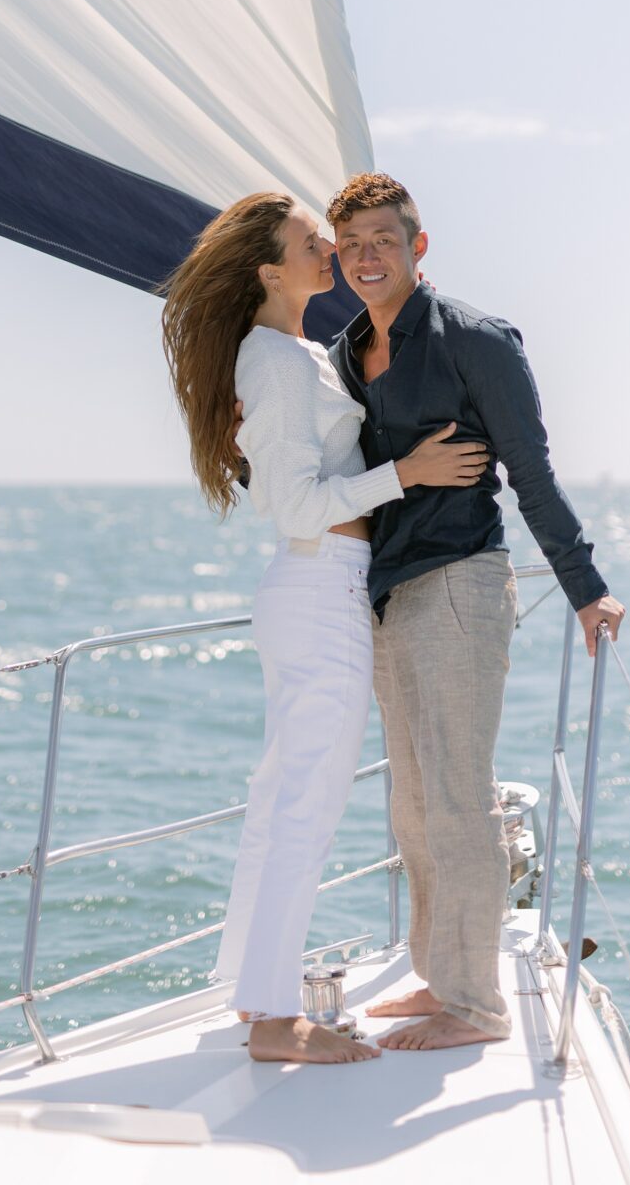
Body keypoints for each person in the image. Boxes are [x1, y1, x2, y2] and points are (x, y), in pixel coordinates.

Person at [160, 190, 486, 1065]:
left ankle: (250, 991)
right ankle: (274, 1020)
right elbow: (297, 505)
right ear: (270, 271)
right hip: (319, 585)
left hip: (319, 587)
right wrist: (408, 472)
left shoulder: (297, 353)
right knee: (303, 808)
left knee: (282, 801)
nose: (331, 251)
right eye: (313, 241)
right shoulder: (272, 361)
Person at [322, 172, 626, 1052]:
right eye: (351, 246)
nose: (366, 257)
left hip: (458, 581)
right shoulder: (345, 350)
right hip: (384, 592)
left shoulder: (474, 339)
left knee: (457, 796)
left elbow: (530, 471)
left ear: (417, 246)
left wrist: (583, 588)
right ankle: (438, 973)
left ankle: (476, 1005)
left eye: (382, 240)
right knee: (413, 803)